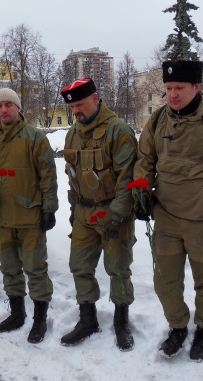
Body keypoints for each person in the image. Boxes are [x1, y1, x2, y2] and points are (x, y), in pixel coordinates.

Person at [133, 60, 203, 361]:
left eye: (179, 88)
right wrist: (142, 194)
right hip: (166, 216)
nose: (173, 94)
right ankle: (177, 326)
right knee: (164, 282)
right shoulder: (157, 120)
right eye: (168, 88)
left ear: (196, 87)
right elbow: (145, 161)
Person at [0, 88, 58, 344]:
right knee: (10, 270)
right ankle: (17, 314)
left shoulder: (34, 138)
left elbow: (48, 176)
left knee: (35, 270)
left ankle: (40, 319)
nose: (4, 110)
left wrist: (49, 209)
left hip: (30, 217)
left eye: (9, 104)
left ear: (18, 107)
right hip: (1, 219)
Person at [60, 78, 137, 351]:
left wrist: (116, 216)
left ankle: (121, 322)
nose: (77, 111)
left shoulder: (117, 131)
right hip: (83, 213)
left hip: (112, 211)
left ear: (95, 98)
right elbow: (73, 175)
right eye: (72, 107)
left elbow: (129, 179)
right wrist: (73, 209)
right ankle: (87, 319)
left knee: (117, 269)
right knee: (79, 266)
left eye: (80, 104)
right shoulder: (73, 133)